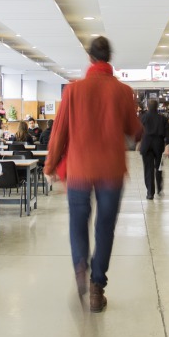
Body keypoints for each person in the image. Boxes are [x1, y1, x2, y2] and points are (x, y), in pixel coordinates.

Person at [44, 36, 142, 313]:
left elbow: (59, 131)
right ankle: (97, 286)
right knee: (105, 227)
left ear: (89, 58)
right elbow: (133, 129)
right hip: (111, 170)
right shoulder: (123, 91)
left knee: (78, 221)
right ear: (109, 58)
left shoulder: (74, 91)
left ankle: (80, 268)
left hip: (78, 170)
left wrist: (50, 166)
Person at [139, 99, 169, 199]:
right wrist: (167, 146)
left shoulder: (143, 117)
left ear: (147, 107)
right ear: (157, 107)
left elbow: (138, 132)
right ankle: (159, 188)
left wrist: (138, 142)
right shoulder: (163, 119)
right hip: (159, 145)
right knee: (159, 168)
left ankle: (150, 192)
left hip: (146, 144)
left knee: (148, 169)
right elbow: (167, 134)